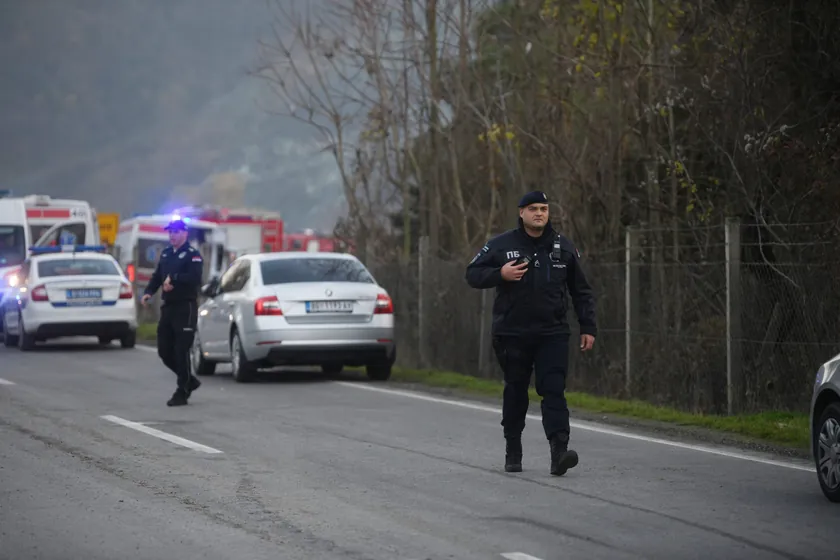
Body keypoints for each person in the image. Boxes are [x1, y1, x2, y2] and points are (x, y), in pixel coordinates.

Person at [465, 190, 597, 476]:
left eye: (544, 209)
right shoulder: (502, 245)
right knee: (516, 390)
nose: (540, 213)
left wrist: (588, 326)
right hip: (512, 333)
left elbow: (581, 291)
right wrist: (500, 274)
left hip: (553, 332)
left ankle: (559, 451)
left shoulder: (563, 247)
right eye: (534, 208)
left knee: (553, 390)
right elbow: (472, 273)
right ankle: (513, 447)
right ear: (522, 212)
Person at [141, 218, 204, 406]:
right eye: (170, 232)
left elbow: (194, 278)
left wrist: (174, 279)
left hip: (185, 307)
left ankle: (182, 391)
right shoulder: (167, 254)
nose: (172, 236)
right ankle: (188, 380)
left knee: (181, 350)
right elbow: (158, 276)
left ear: (185, 234)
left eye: (176, 232)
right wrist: (149, 292)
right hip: (168, 307)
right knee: (164, 350)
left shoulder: (193, 255)